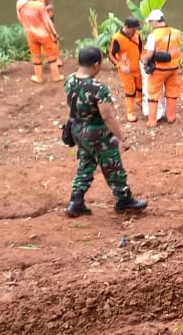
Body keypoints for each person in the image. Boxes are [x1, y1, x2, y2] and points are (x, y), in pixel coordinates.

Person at [63, 46, 148, 217]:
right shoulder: (97, 88)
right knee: (113, 166)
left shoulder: (70, 80)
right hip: (96, 133)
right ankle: (124, 200)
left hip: (77, 129)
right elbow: (108, 116)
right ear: (95, 64)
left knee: (86, 163)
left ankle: (76, 200)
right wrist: (122, 137)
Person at [139, 9, 183, 126]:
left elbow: (149, 54)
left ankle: (152, 120)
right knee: (172, 91)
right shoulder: (176, 32)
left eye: (151, 22)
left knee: (153, 92)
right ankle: (171, 116)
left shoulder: (153, 36)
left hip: (159, 69)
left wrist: (144, 60)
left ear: (154, 22)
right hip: (173, 68)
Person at [17, 0, 61, 83]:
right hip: (44, 34)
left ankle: (38, 77)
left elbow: (20, 19)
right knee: (51, 56)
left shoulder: (20, 4)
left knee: (36, 56)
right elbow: (47, 21)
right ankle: (56, 76)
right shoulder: (39, 6)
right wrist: (54, 33)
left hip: (31, 34)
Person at [108, 16, 146, 122]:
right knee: (130, 90)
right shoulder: (117, 38)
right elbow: (111, 55)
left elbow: (141, 47)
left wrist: (143, 56)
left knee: (140, 86)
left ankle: (140, 101)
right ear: (126, 27)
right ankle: (130, 112)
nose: (135, 30)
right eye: (133, 28)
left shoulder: (137, 34)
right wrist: (119, 65)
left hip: (138, 66)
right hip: (126, 69)